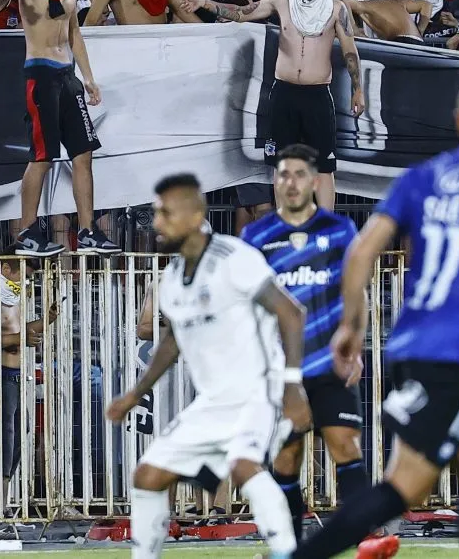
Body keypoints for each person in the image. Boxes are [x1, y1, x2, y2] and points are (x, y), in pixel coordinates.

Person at [294, 78, 459, 559]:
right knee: (405, 487)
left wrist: (351, 327)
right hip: (454, 356)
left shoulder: (423, 177)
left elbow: (360, 254)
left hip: (411, 346)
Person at [106, 173, 311, 559]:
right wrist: (136, 393)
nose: (158, 223)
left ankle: (288, 552)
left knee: (244, 466)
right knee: (148, 475)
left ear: (195, 214)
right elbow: (172, 342)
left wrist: (291, 384)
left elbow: (292, 313)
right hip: (213, 401)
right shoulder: (170, 278)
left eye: (166, 214)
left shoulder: (234, 257)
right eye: (156, 214)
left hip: (258, 391)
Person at [241, 144, 367, 544]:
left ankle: (365, 540)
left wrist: (356, 343)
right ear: (275, 182)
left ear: (315, 181)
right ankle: (288, 547)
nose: (290, 182)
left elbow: (355, 290)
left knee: (345, 445)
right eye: (283, 175)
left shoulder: (339, 230)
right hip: (281, 370)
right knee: (286, 459)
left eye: (298, 174)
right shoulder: (256, 237)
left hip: (330, 363)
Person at [183, 0, 364, 212]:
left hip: (317, 95)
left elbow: (350, 49)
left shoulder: (337, 8)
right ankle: (285, 225)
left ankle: (327, 226)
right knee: (283, 163)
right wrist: (205, 2)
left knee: (324, 166)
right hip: (285, 93)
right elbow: (243, 12)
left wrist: (358, 90)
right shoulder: (281, 0)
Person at [11, 0, 119, 257]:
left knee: (83, 153)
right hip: (40, 74)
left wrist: (88, 77)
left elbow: (74, 33)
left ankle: (87, 231)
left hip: (67, 74)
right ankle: (27, 230)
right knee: (42, 156)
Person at [0, 249, 55, 539]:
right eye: (25, 275)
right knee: (0, 447)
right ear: (6, 267)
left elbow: (17, 334)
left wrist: (47, 321)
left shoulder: (9, 294)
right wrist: (20, 337)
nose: (27, 281)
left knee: (13, 446)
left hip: (13, 378)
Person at [343, 0, 433, 43]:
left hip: (402, 42)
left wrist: (354, 30)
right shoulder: (398, 4)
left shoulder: (367, 4)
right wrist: (420, 31)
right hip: (417, 41)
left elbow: (345, 2)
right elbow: (426, 5)